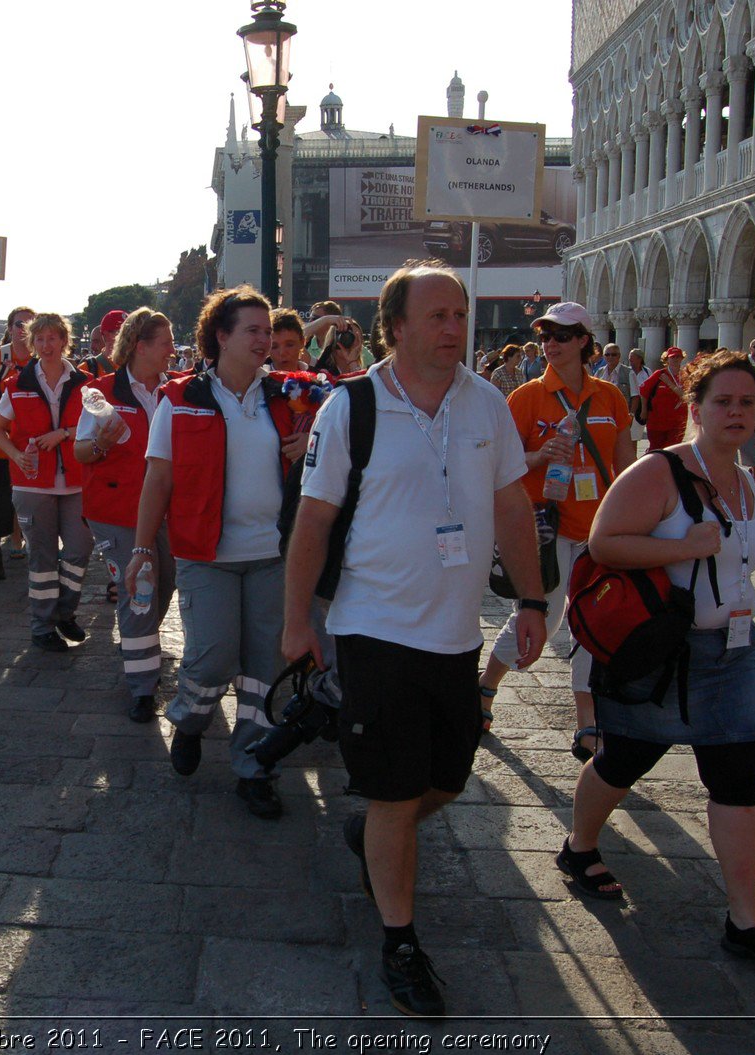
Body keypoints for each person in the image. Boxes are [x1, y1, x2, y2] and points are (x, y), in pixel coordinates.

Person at [282, 264, 541, 1016]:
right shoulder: (351, 407)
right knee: (397, 789)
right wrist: (299, 621)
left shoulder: (487, 403)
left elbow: (513, 506)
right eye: (437, 314)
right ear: (394, 326)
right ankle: (400, 941)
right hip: (375, 628)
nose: (454, 327)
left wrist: (530, 596)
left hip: (457, 635)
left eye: (459, 313)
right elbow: (315, 521)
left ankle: (373, 831)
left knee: (449, 779)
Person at [557, 350, 755, 977]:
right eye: (722, 402)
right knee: (623, 761)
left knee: (739, 781)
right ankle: (579, 846)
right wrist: (684, 544)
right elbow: (603, 543)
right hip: (666, 655)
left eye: (747, 402)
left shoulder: (744, 478)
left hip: (734, 654)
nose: (737, 413)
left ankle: (744, 920)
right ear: (695, 408)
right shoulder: (659, 472)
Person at [126, 286, 308, 820]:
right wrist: (142, 546)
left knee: (264, 667)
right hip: (205, 554)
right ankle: (190, 718)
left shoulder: (290, 396)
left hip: (274, 553)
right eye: (253, 329)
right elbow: (158, 478)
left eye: (268, 330)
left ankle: (254, 765)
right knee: (211, 654)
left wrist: (310, 443)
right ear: (221, 336)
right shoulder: (181, 399)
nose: (265, 339)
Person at [478, 303, 633, 754]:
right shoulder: (527, 396)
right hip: (546, 525)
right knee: (542, 614)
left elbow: (626, 467)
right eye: (544, 336)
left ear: (584, 340)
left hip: (600, 527)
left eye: (561, 336)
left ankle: (587, 716)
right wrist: (541, 456)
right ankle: (487, 686)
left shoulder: (610, 397)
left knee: (594, 621)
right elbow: (499, 465)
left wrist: (636, 520)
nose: (550, 344)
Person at [76, 308, 177, 722]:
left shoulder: (179, 391)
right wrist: (102, 440)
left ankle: (139, 643)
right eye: (166, 342)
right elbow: (81, 453)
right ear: (141, 345)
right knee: (142, 590)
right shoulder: (100, 392)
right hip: (116, 511)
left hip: (169, 512)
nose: (173, 350)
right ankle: (142, 687)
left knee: (164, 584)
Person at [0, 312, 93, 652]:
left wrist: (63, 433)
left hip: (77, 481)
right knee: (43, 559)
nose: (47, 345)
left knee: (79, 550)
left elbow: (101, 426)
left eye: (53, 338)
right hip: (32, 483)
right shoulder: (17, 384)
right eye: (40, 339)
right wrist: (15, 456)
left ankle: (64, 612)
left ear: (64, 340)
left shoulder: (85, 382)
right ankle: (41, 625)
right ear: (32, 344)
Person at [0, 306, 35, 578]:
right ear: (9, 328)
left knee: (27, 496)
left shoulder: (40, 358)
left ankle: (20, 541)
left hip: (31, 442)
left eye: (28, 324)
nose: (22, 329)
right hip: (2, 443)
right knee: (0, 498)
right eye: (17, 324)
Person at [640, 346, 688, 450]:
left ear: (682, 358)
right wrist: (643, 410)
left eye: (678, 357)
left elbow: (686, 396)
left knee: (673, 449)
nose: (675, 359)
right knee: (655, 449)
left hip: (677, 421)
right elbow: (644, 391)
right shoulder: (659, 374)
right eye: (672, 357)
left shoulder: (685, 375)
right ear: (667, 359)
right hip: (657, 420)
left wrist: (669, 383)